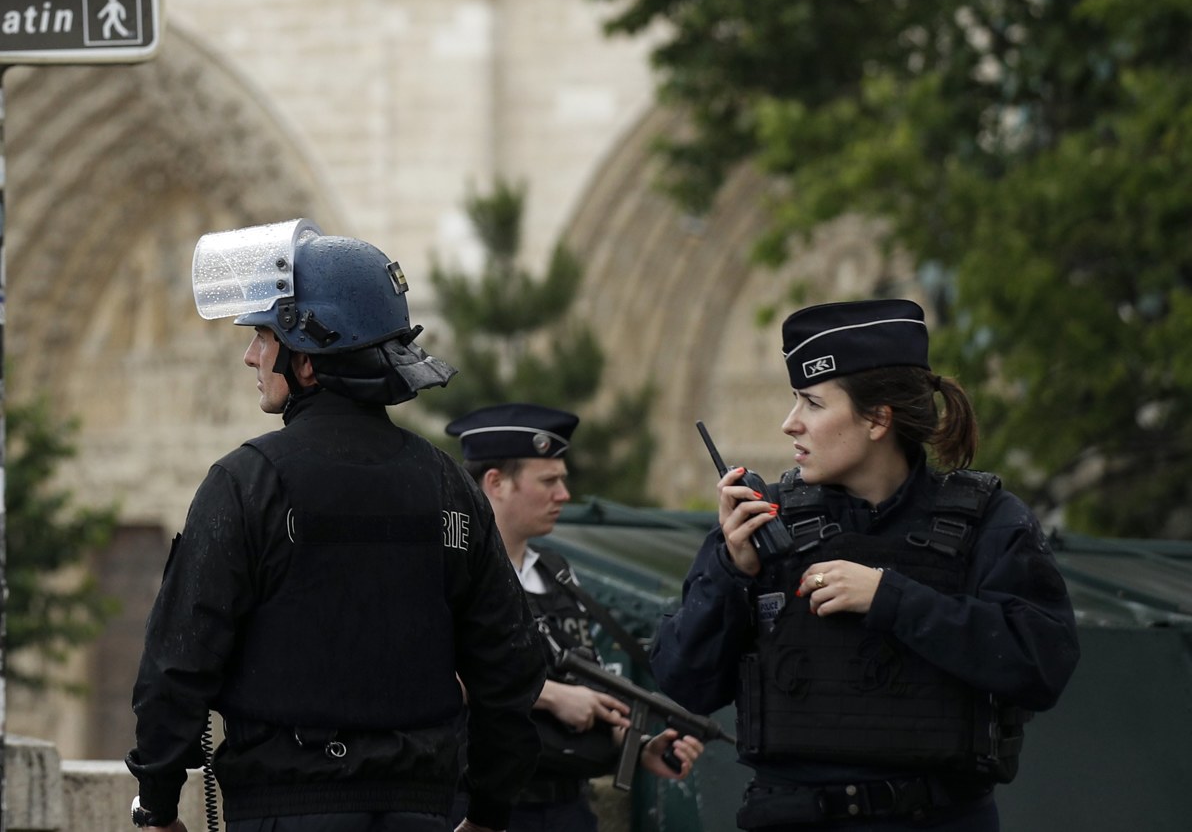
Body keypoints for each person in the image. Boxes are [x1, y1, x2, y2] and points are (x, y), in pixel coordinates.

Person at [130, 220, 543, 832]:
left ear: (307, 360)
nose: (250, 355)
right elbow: (510, 665)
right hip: (419, 810)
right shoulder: (449, 483)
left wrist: (157, 805)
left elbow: (178, 663)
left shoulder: (247, 482)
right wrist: (488, 811)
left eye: (264, 336)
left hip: (285, 806)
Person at [651, 299, 1080, 831]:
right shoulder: (763, 527)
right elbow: (681, 681)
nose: (790, 425)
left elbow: (1042, 666)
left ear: (878, 418)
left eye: (811, 403)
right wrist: (730, 569)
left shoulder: (987, 522)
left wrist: (890, 598)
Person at [447, 403, 703, 829]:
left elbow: (588, 685)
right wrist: (548, 695)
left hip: (565, 807)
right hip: (478, 808)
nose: (563, 495)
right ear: (496, 483)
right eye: (548, 481)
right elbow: (433, 678)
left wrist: (638, 747)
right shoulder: (449, 570)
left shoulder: (557, 573)